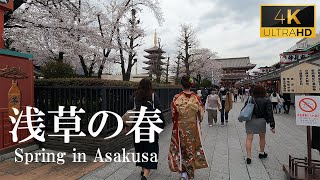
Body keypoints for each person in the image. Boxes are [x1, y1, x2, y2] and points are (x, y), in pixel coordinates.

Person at [168, 75, 208, 180]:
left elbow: (173, 114)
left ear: (181, 85)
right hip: (193, 127)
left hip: (181, 127)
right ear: (191, 85)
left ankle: (183, 172)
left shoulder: (177, 98)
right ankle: (189, 173)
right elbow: (201, 114)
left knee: (182, 149)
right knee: (192, 148)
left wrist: (177, 123)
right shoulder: (196, 98)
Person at [127, 78, 164, 180]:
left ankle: (143, 170)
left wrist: (127, 126)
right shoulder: (153, 95)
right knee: (150, 148)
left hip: (137, 127)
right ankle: (146, 174)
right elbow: (159, 110)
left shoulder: (134, 97)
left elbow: (129, 111)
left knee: (140, 148)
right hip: (150, 127)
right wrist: (161, 125)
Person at [244, 85, 275, 164]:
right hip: (261, 120)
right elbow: (269, 113)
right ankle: (261, 153)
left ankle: (248, 157)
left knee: (249, 138)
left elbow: (245, 108)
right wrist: (272, 125)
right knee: (262, 137)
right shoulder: (267, 100)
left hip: (250, 120)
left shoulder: (250, 98)